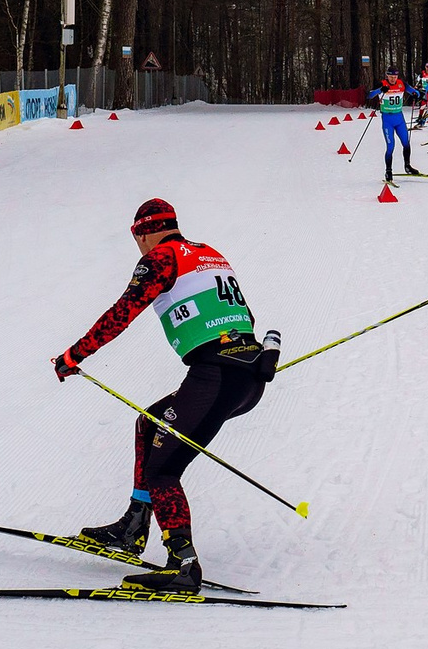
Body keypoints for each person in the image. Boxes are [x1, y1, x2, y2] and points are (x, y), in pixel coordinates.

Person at [56, 198, 276, 590]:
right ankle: (134, 525)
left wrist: (74, 355)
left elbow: (122, 313)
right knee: (150, 422)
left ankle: (183, 564)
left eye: (136, 237)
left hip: (216, 377)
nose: (138, 245)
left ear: (144, 231)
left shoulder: (161, 258)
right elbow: (244, 316)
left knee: (164, 469)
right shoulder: (210, 254)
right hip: (246, 374)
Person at [369, 71, 419, 180]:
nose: (393, 79)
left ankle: (407, 166)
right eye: (391, 76)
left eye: (395, 76)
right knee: (391, 146)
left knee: (406, 142)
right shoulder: (381, 83)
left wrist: (416, 94)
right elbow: (369, 95)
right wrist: (380, 90)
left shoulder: (401, 83)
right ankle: (388, 171)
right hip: (388, 120)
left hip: (399, 119)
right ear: (387, 76)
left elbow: (414, 91)